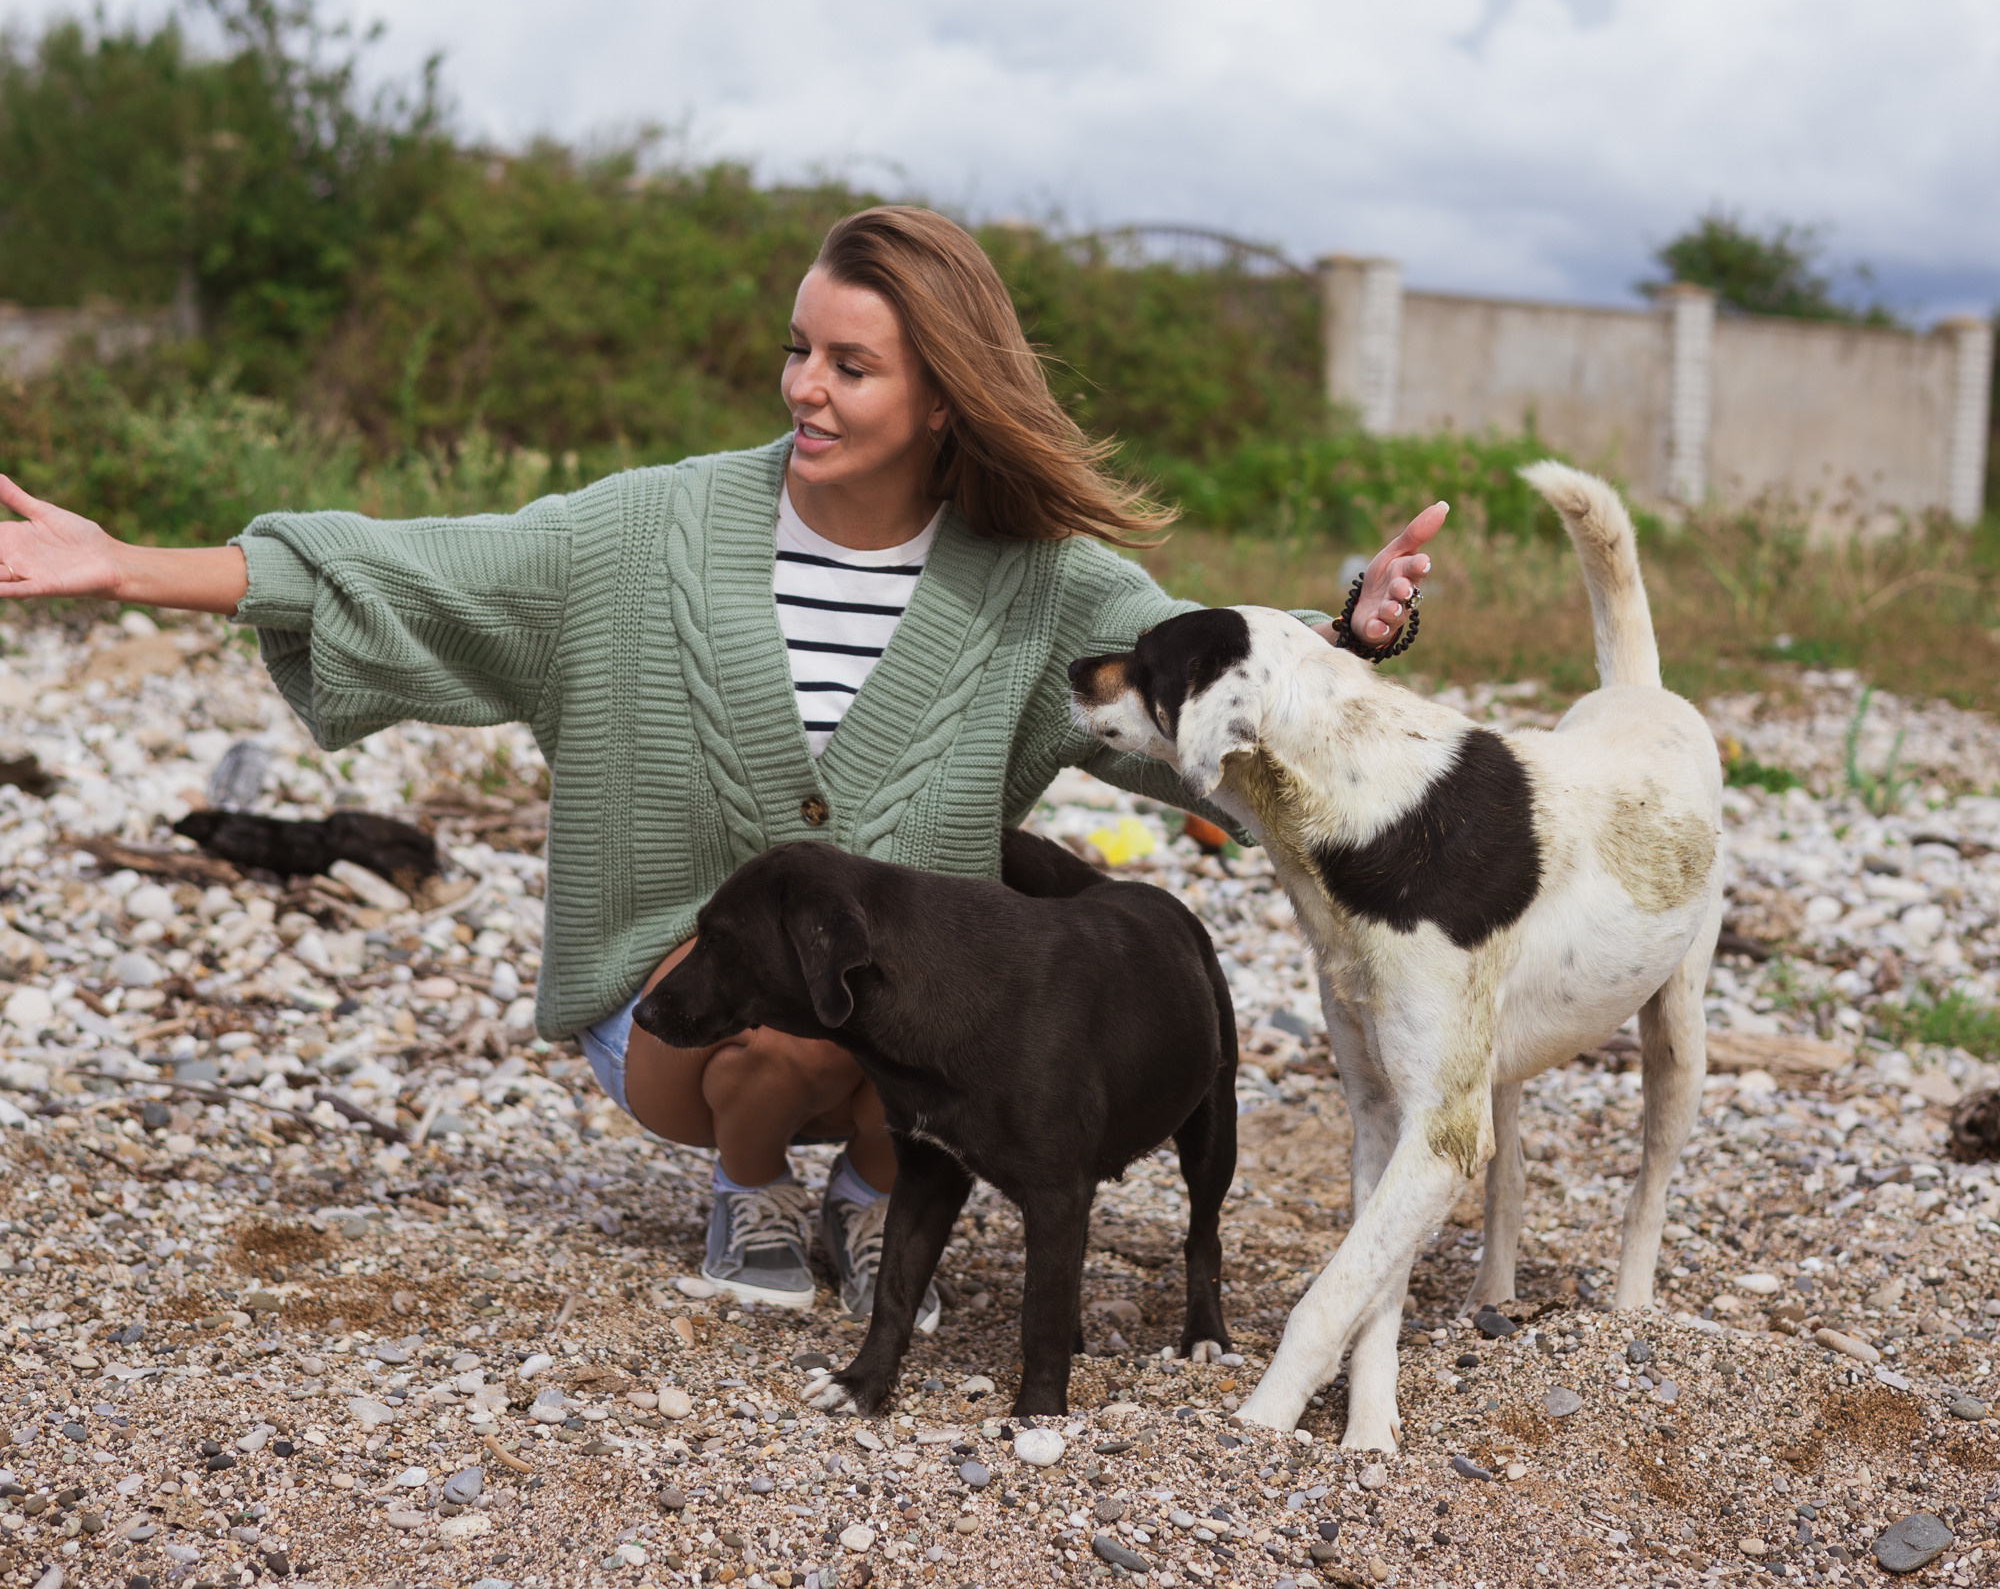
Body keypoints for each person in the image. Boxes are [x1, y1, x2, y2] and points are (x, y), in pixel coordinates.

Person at [0, 206, 1445, 1322]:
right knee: (799, 1027)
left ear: (943, 397)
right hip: (679, 1011)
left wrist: (1349, 634)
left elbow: (1198, 680)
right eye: (799, 349)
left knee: (925, 998)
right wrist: (123, 564)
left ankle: (884, 1201)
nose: (804, 386)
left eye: (851, 365)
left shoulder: (1039, 585)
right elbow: (402, 569)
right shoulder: (644, 535)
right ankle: (748, 1191)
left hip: (900, 1020)